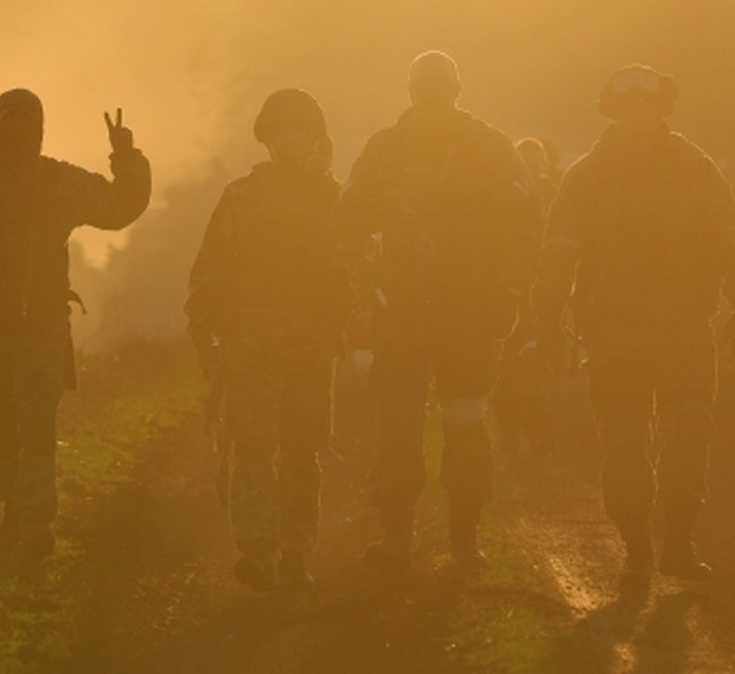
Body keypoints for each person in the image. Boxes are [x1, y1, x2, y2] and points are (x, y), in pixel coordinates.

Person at [533, 64, 735, 587]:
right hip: (614, 331)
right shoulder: (587, 175)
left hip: (684, 326)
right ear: (615, 112)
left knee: (691, 431)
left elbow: (729, 235)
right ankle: (637, 548)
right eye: (629, 108)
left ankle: (678, 544)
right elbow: (560, 247)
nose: (639, 116)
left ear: (662, 110)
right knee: (625, 440)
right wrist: (544, 315)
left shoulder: (695, 168)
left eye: (648, 107)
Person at [0, 88, 151, 579]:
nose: (17, 131)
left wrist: (126, 155)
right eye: (9, 122)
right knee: (1, 420)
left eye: (26, 123)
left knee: (36, 417)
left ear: (40, 129)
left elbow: (120, 206)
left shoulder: (57, 181)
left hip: (41, 322)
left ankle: (34, 521)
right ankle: (16, 511)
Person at [339, 50, 542, 571]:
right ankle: (398, 538)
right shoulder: (387, 150)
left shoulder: (489, 149)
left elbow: (525, 227)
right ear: (413, 93)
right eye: (425, 89)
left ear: (456, 91)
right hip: (404, 309)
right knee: (399, 423)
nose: (432, 99)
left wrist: (511, 294)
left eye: (440, 89)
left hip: (468, 311)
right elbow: (349, 224)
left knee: (465, 421)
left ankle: (464, 538)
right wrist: (358, 295)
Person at [185, 89, 349, 591]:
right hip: (251, 343)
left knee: (302, 450)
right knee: (253, 446)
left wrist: (355, 326)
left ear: (314, 137)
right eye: (281, 130)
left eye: (299, 130)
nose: (290, 140)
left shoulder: (334, 199)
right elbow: (209, 271)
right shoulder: (242, 197)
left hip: (312, 345)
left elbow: (356, 271)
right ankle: (257, 550)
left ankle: (296, 550)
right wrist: (207, 340)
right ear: (267, 137)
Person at [492, 137, 559, 456]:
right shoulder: (502, 198)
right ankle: (508, 430)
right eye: (524, 165)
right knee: (503, 365)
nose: (530, 171)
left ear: (544, 166)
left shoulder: (558, 198)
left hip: (544, 294)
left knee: (537, 363)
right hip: (507, 292)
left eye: (535, 165)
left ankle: (540, 430)